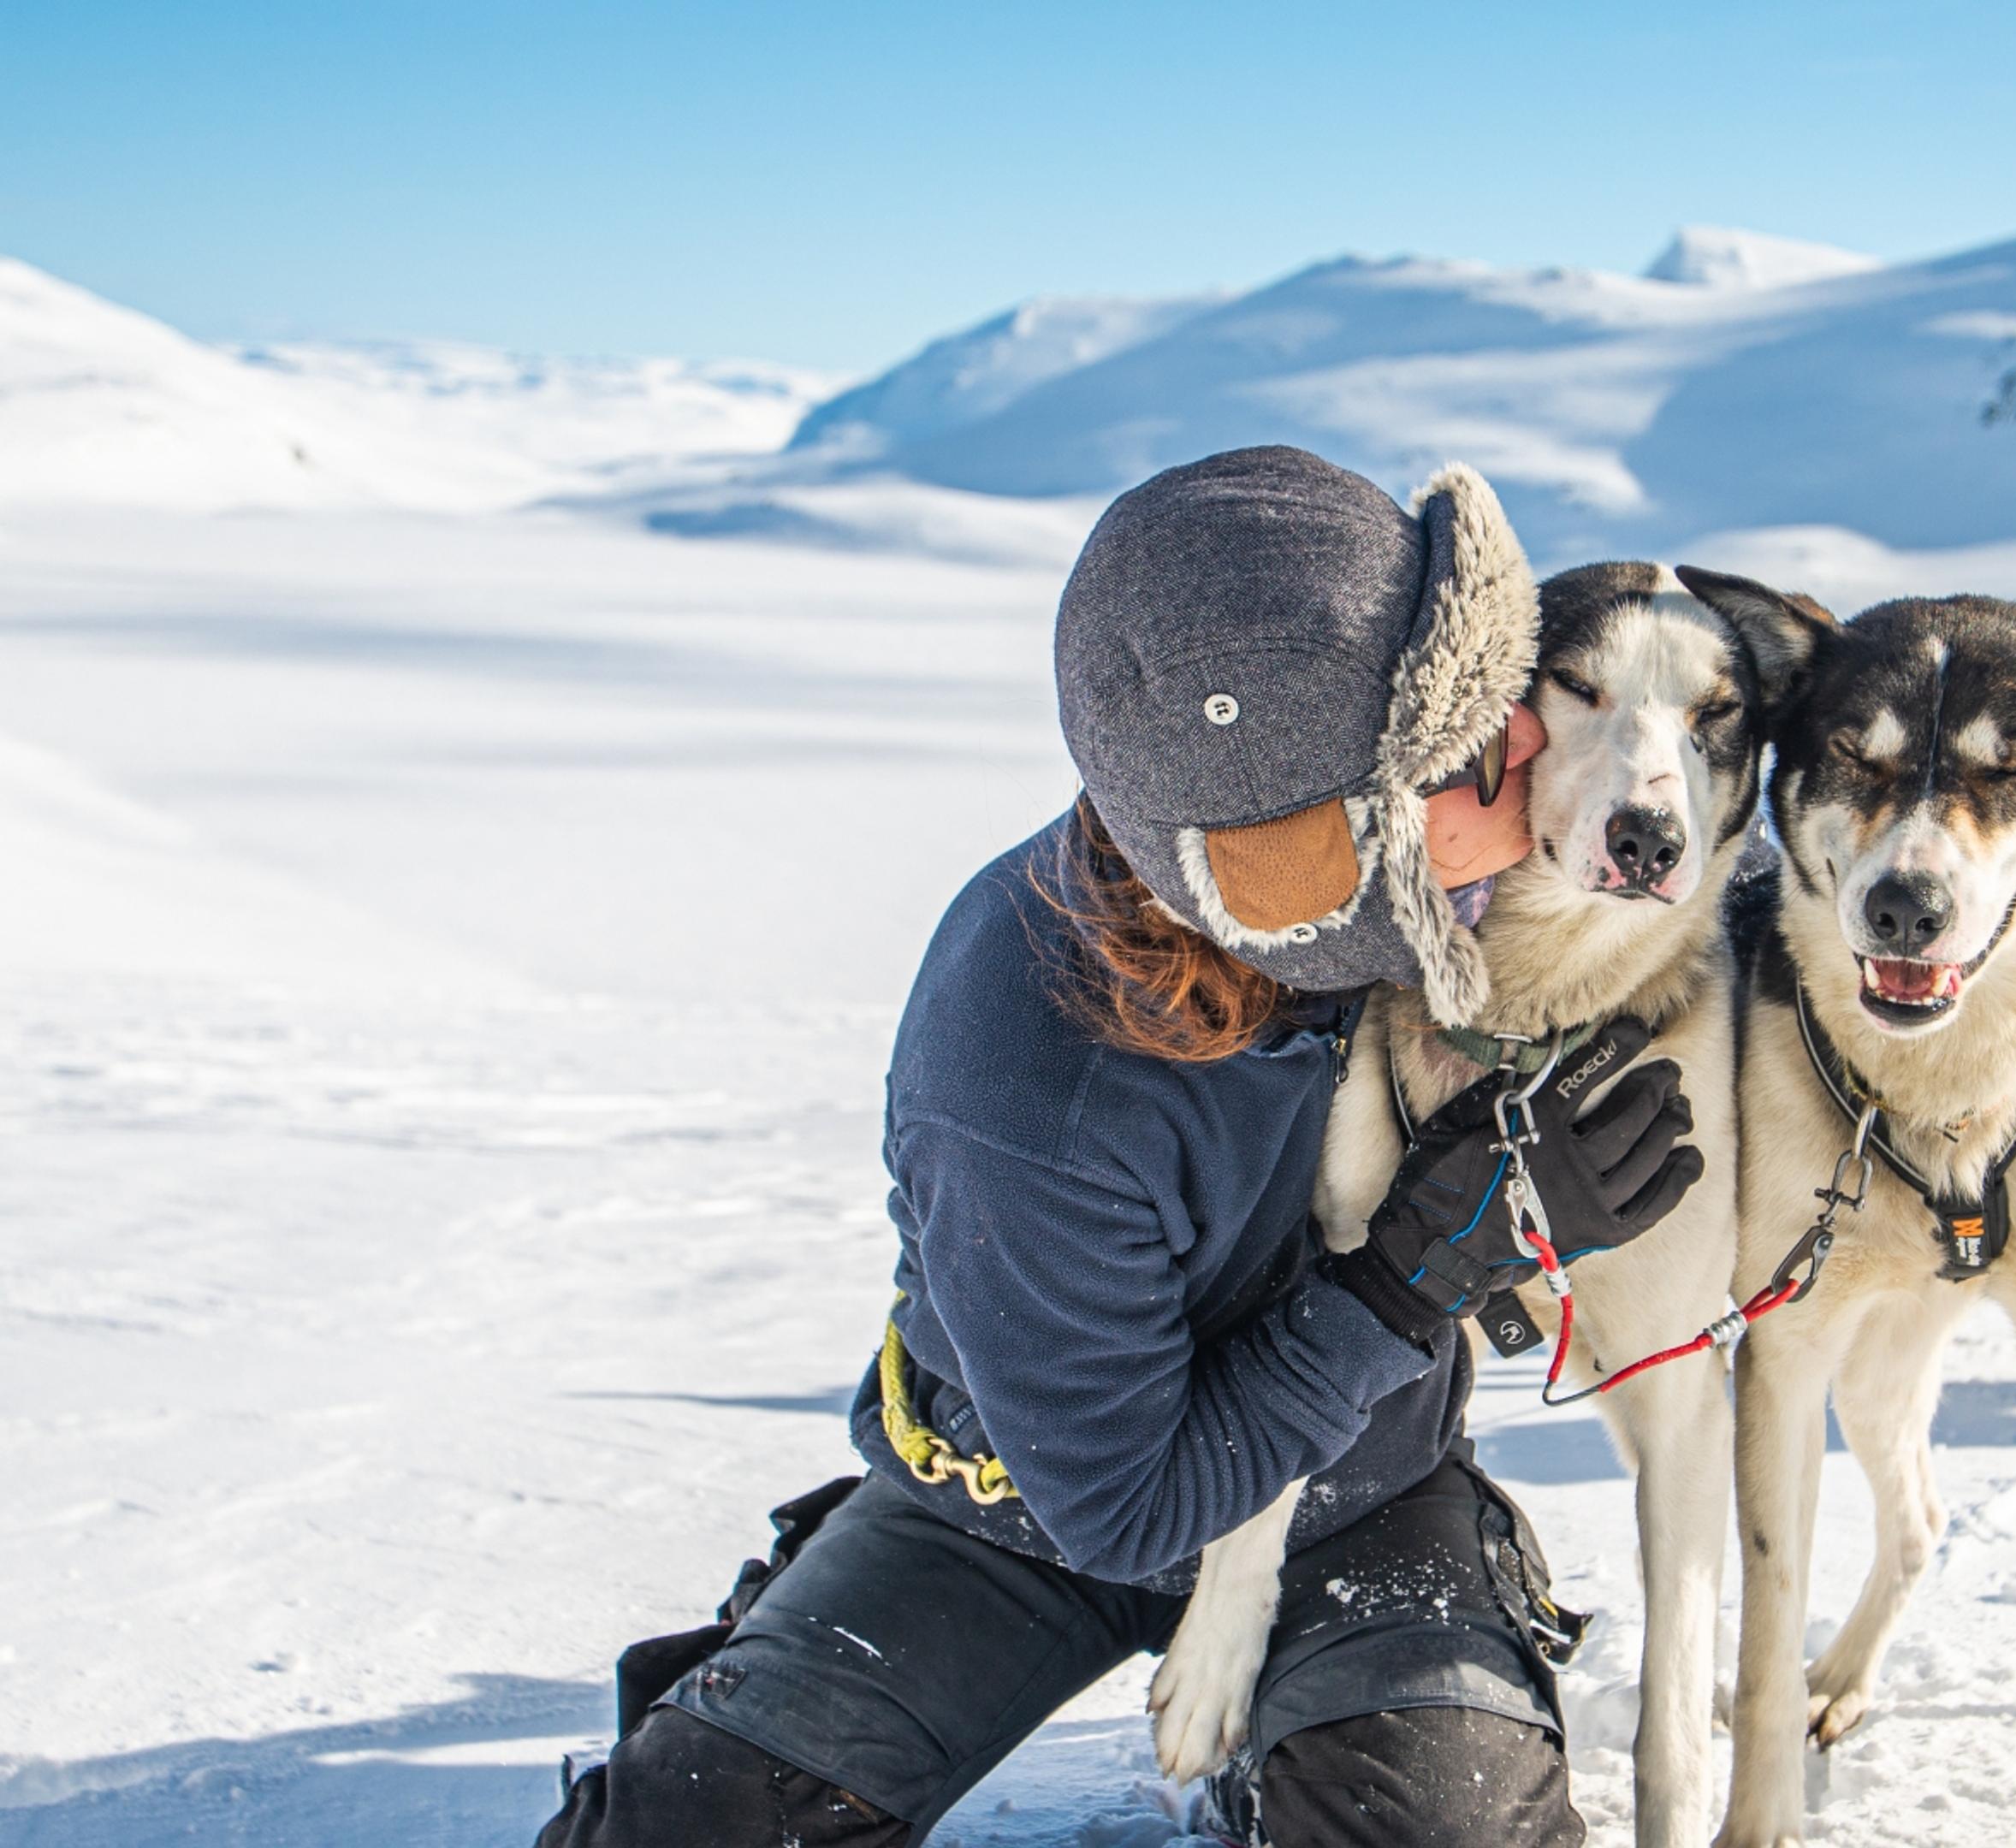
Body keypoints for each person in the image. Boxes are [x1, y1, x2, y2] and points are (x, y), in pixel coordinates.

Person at [535, 446, 1705, 1847]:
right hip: (1023, 1515)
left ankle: (1302, 1746)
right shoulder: (1029, 1081)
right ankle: (789, 1646)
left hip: (1352, 1494)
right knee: (696, 1835)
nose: (1528, 750)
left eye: (1501, 702)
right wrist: (1407, 1287)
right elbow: (1132, 1506)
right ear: (1322, 850)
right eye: (1461, 755)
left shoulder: (1433, 888)